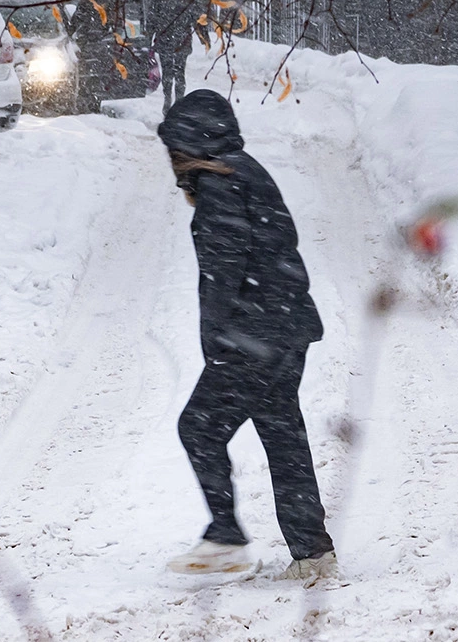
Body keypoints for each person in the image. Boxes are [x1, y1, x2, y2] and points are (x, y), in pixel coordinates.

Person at [156, 89, 337, 581]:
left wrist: (219, 346)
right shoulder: (245, 170)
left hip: (254, 336)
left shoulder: (220, 187)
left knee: (198, 428)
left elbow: (223, 272)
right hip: (286, 327)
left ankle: (225, 538)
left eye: (173, 148)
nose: (170, 161)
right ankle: (312, 553)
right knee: (282, 435)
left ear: (188, 144)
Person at [146, 0, 206, 111]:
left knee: (180, 73)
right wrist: (149, 37)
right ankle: (167, 99)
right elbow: (152, 18)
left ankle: (179, 102)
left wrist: (201, 34)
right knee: (167, 73)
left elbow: (197, 17)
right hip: (164, 38)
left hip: (182, 39)